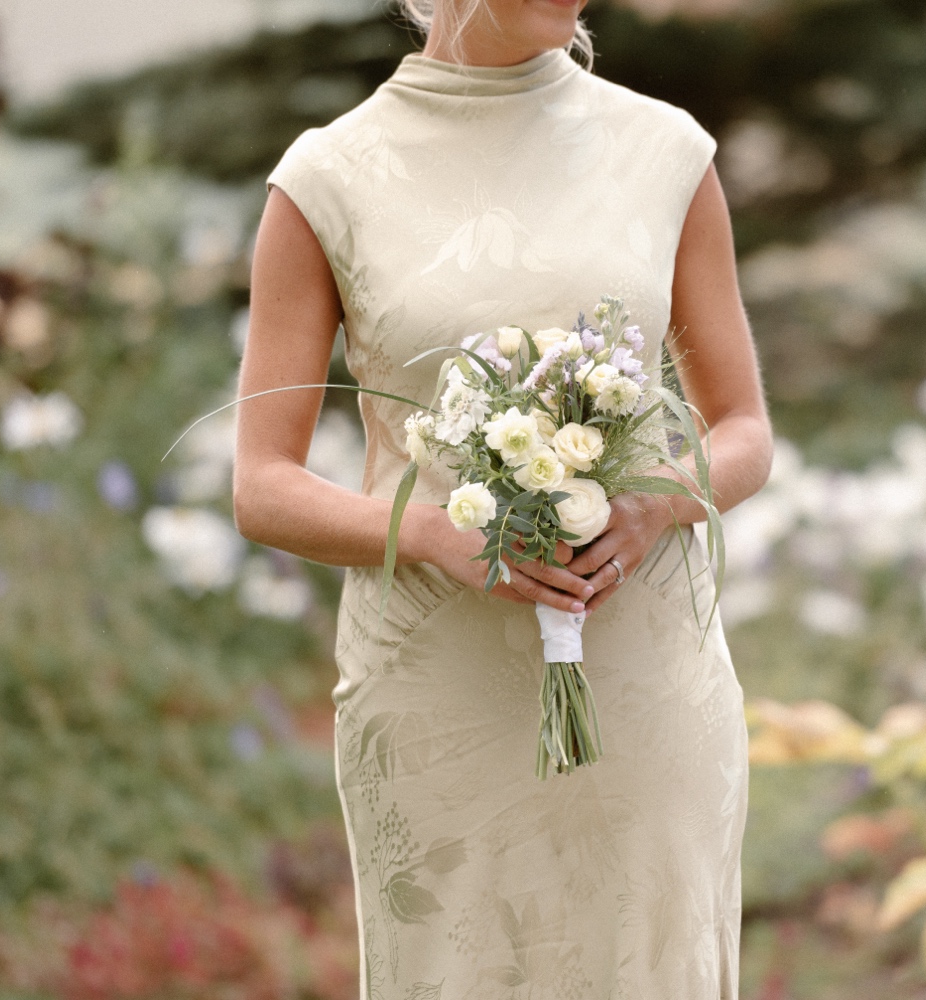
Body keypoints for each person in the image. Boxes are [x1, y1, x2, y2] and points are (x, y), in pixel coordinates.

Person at [231, 0, 772, 993]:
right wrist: (441, 537)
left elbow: (744, 430)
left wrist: (658, 499)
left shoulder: (666, 155)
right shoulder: (326, 182)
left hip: (646, 690)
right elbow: (262, 486)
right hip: (437, 696)